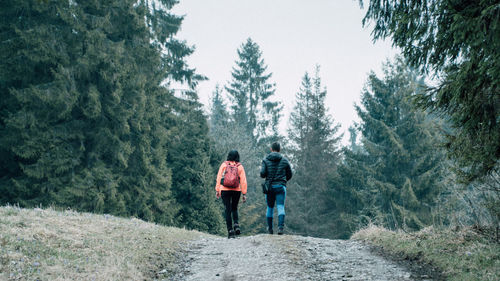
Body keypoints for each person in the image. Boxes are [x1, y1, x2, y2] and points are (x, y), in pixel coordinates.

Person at [260, 142, 292, 235]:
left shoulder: (265, 160)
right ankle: (280, 228)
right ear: (280, 149)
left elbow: (262, 174)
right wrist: (283, 181)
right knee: (280, 206)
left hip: (269, 187)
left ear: (271, 149)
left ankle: (270, 229)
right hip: (280, 186)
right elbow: (289, 174)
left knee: (270, 207)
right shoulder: (285, 160)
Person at [216, 150, 248, 238]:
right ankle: (236, 224)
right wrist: (244, 193)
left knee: (227, 209)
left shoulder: (224, 165)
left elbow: (219, 177)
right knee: (234, 208)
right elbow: (243, 180)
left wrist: (217, 190)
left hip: (224, 189)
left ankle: (230, 231)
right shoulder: (240, 166)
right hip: (236, 190)